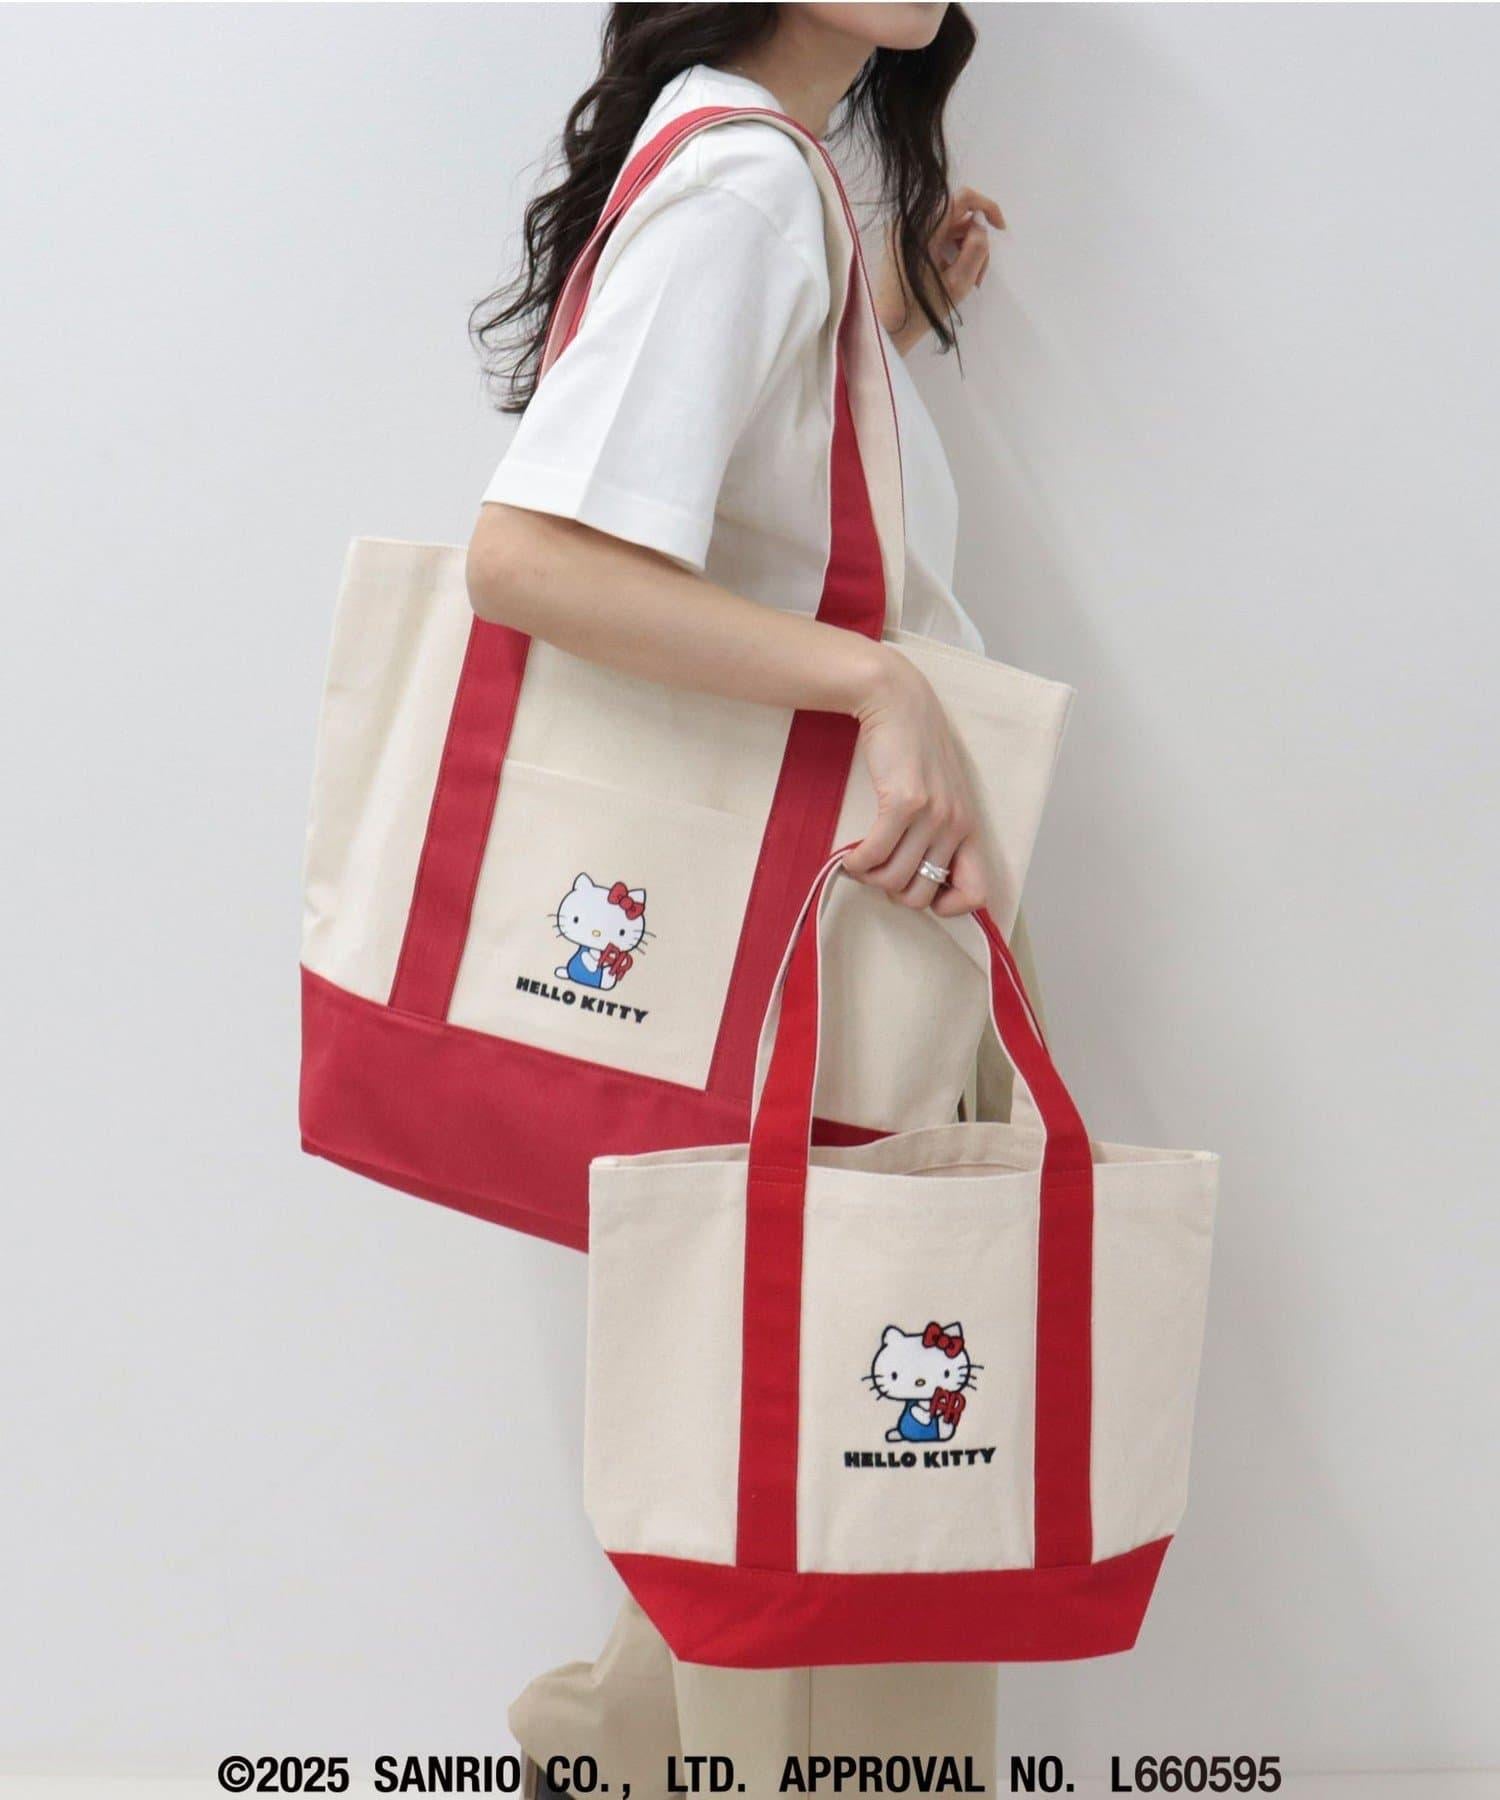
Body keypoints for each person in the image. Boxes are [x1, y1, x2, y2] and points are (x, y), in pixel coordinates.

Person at [466, 5, 1027, 1793]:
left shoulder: (765, 181)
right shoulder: (745, 190)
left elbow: (763, 529)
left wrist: (877, 337)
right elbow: (529, 556)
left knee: (822, 1402)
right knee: (855, 1435)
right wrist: (876, 681)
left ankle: (611, 1745)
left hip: (835, 915)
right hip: (825, 929)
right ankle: (634, 1751)